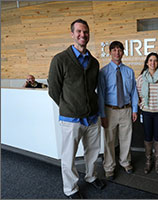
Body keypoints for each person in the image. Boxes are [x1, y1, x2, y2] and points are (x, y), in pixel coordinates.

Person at [48, 19, 105, 199]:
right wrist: (68, 106)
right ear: (72, 34)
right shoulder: (60, 59)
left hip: (92, 118)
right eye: (79, 31)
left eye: (86, 32)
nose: (83, 35)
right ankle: (71, 188)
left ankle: (91, 176)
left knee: (93, 152)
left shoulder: (94, 63)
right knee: (69, 157)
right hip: (71, 119)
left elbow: (94, 88)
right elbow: (54, 90)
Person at [98, 41, 138, 180]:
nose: (117, 52)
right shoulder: (103, 72)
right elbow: (101, 94)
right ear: (110, 52)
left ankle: (125, 162)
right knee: (109, 140)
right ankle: (109, 167)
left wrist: (134, 109)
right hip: (110, 111)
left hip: (126, 109)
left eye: (119, 50)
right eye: (114, 50)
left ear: (123, 52)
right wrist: (102, 114)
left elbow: (133, 91)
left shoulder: (129, 71)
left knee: (126, 138)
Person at [136, 52, 158, 174]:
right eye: (150, 60)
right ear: (146, 63)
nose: (152, 63)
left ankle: (157, 161)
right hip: (146, 112)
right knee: (148, 137)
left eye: (155, 60)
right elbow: (138, 95)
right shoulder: (140, 78)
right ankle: (148, 161)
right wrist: (142, 105)